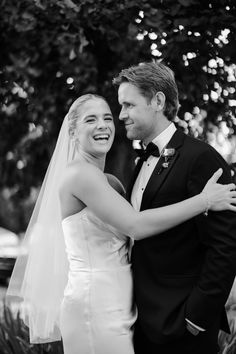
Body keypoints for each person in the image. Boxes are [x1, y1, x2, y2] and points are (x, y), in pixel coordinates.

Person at [6, 94, 236, 354]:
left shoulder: (111, 182)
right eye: (90, 119)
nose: (102, 125)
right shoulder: (79, 175)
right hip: (94, 305)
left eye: (107, 117)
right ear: (72, 132)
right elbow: (136, 226)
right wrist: (203, 201)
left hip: (121, 305)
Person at [113, 61, 236, 354]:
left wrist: (197, 315)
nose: (121, 115)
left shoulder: (201, 158)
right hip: (140, 320)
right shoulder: (140, 160)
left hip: (182, 323)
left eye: (129, 105)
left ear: (158, 101)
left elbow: (226, 245)